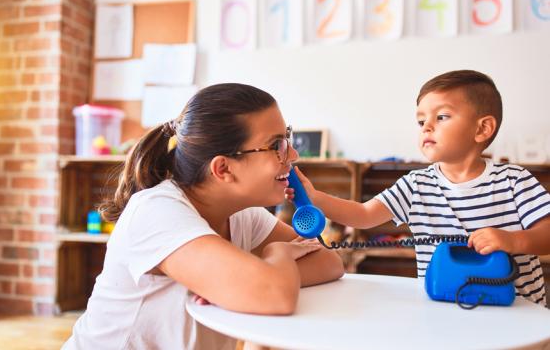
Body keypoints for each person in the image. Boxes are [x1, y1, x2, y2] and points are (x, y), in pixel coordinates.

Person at [63, 83, 344, 350]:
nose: (292, 154)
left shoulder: (242, 215)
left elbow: (329, 262)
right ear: (223, 169)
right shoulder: (157, 211)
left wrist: (256, 281)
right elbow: (276, 295)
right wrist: (279, 253)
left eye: (288, 139)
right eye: (277, 146)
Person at [289, 70, 550, 306]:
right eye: (421, 121)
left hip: (517, 313)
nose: (427, 126)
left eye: (442, 116)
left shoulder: (514, 179)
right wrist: (315, 198)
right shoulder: (415, 184)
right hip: (444, 307)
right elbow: (364, 214)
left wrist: (513, 240)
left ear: (482, 128)